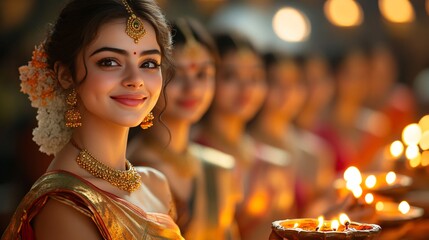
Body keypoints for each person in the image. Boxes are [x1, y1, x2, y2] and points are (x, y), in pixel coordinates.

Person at [2, 0, 184, 239]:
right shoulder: (65, 205)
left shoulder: (156, 185)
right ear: (66, 75)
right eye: (109, 62)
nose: (135, 79)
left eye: (148, 63)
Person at [127, 17, 239, 239]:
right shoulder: (131, 168)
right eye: (176, 74)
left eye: (202, 75)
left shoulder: (217, 167)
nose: (192, 88)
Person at [192, 33, 275, 240]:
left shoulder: (270, 159)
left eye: (254, 78)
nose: (246, 88)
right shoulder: (189, 152)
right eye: (230, 76)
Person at [248, 53, 335, 218]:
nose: (286, 91)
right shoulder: (246, 149)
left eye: (294, 82)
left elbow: (319, 217)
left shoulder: (315, 152)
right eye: (276, 82)